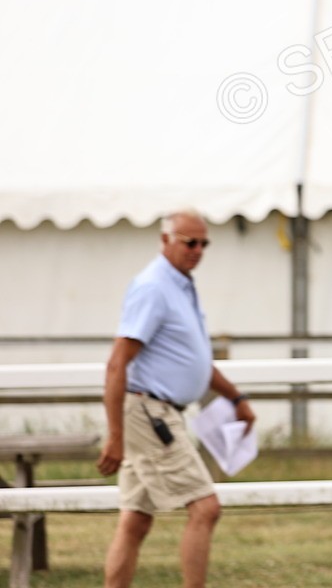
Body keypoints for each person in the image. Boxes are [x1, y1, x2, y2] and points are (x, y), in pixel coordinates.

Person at [96, 209, 255, 588]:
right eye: (190, 242)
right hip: (150, 414)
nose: (198, 250)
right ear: (165, 241)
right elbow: (117, 364)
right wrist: (116, 435)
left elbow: (196, 358)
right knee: (206, 507)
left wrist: (237, 398)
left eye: (204, 243)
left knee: (135, 519)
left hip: (157, 412)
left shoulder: (180, 284)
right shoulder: (154, 287)